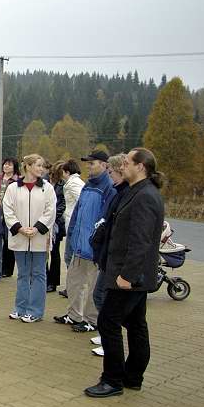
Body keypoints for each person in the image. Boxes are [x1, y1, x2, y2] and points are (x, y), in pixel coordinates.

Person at [85, 148, 164, 398]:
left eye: (128, 162)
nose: (123, 166)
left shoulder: (145, 196)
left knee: (108, 322)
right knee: (136, 324)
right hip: (130, 275)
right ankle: (132, 376)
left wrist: (127, 276)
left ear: (141, 166)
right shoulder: (135, 191)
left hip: (129, 277)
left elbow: (140, 241)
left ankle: (113, 380)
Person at [54, 150, 117, 333]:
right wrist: (72, 233)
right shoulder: (88, 184)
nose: (88, 166)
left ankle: (91, 320)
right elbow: (78, 212)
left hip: (94, 248)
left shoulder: (109, 187)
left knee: (93, 287)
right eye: (88, 163)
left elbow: (106, 219)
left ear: (105, 165)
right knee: (74, 282)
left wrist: (97, 243)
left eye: (93, 163)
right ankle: (73, 315)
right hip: (79, 245)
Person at [4, 154, 57, 323]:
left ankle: (35, 311)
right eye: (37, 165)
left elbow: (51, 211)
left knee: (39, 274)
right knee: (23, 274)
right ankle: (20, 308)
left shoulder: (47, 188)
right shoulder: (13, 188)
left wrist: (37, 228)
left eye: (42, 166)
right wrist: (19, 228)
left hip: (39, 239)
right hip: (20, 238)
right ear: (27, 166)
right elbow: (8, 210)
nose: (41, 169)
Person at [88, 153, 128, 357]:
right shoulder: (118, 192)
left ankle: (109, 341)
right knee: (99, 295)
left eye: (111, 172)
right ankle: (105, 335)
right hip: (106, 254)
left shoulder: (125, 193)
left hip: (115, 259)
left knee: (104, 298)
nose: (110, 175)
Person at [0, 157, 20, 277]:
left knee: (8, 241)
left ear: (14, 167)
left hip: (10, 214)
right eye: (5, 164)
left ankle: (7, 269)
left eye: (10, 165)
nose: (6, 166)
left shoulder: (18, 180)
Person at [47, 161, 67, 292]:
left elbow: (63, 205)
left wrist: (52, 216)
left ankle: (53, 282)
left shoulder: (63, 185)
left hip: (57, 224)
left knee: (54, 253)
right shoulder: (46, 182)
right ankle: (45, 279)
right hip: (44, 222)